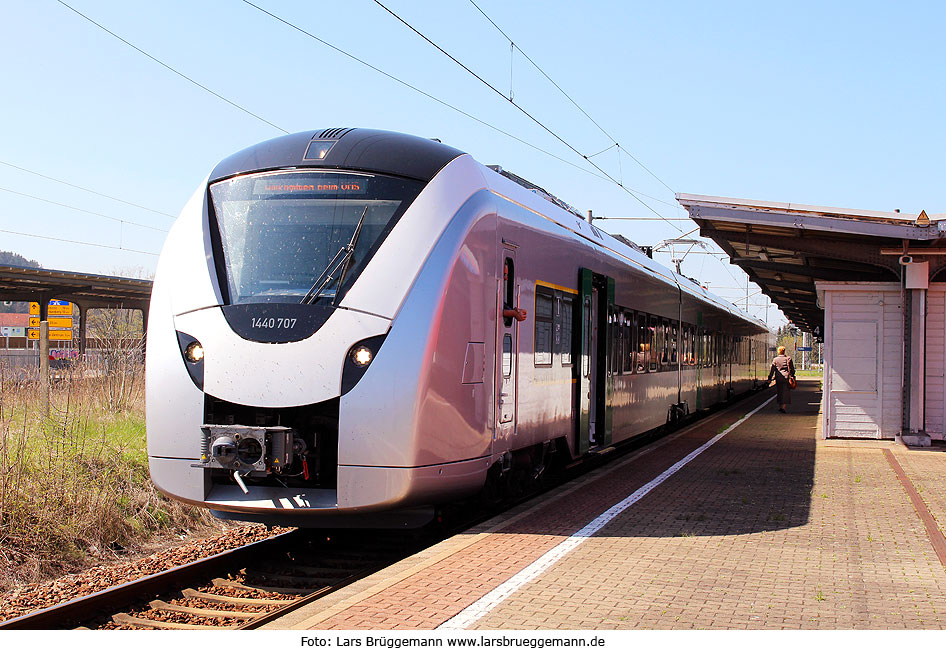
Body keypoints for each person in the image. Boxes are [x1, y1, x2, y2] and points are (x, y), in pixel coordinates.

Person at [767, 345, 795, 413]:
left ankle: (780, 406)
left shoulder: (775, 359)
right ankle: (783, 407)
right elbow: (792, 369)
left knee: (779, 392)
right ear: (784, 351)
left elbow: (772, 370)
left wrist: (770, 378)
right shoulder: (788, 359)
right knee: (785, 392)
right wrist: (793, 375)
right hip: (786, 378)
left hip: (778, 378)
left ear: (778, 351)